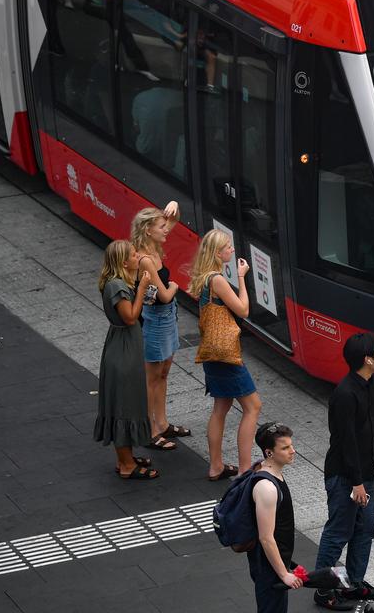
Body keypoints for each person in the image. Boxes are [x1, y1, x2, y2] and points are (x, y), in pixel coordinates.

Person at [313, 333, 374, 611]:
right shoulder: (344, 394)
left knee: (365, 530)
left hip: (365, 473)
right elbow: (347, 442)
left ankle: (354, 583)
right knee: (338, 532)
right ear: (367, 359)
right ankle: (323, 590)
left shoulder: (370, 382)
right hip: (346, 476)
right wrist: (356, 484)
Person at [188, 229, 263, 479]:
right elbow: (242, 309)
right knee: (253, 406)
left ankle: (216, 466)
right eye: (228, 247)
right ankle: (244, 468)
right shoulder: (217, 280)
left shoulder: (204, 278)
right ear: (217, 253)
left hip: (212, 353)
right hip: (226, 354)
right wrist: (242, 277)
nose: (232, 249)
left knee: (221, 406)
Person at [94, 240, 158, 480]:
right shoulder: (116, 286)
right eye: (133, 255)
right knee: (123, 404)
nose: (138, 256)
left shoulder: (118, 283)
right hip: (123, 351)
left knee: (126, 402)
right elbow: (130, 317)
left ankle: (126, 457)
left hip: (124, 346)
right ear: (123, 262)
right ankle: (126, 464)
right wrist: (142, 289)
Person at [130, 202, 189, 453]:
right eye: (161, 227)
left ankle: (162, 423)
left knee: (163, 372)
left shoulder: (152, 245)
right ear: (147, 231)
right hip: (154, 321)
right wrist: (176, 286)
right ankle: (150, 430)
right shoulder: (145, 260)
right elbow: (164, 295)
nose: (167, 231)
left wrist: (173, 208)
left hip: (166, 318)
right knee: (152, 378)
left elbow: (173, 220)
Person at [248, 423, 304, 613]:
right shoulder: (267, 487)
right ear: (269, 453)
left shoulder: (270, 472)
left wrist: (289, 565)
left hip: (275, 561)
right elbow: (266, 537)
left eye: (291, 445)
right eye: (285, 447)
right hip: (268, 566)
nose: (293, 451)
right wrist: (283, 574)